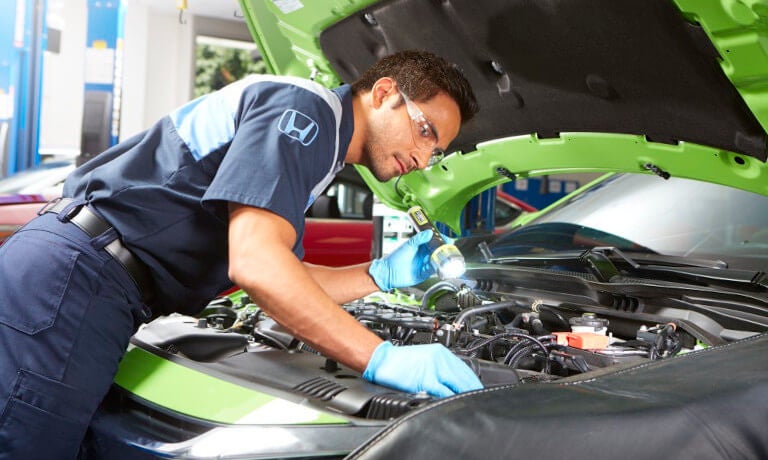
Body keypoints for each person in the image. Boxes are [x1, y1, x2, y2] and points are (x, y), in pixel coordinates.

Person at [0, 50, 482, 459]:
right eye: (424, 132)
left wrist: (379, 274)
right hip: (74, 282)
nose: (423, 159)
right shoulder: (305, 115)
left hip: (89, 284)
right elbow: (257, 266)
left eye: (436, 152)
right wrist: (382, 357)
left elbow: (282, 272)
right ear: (383, 94)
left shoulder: (323, 145)